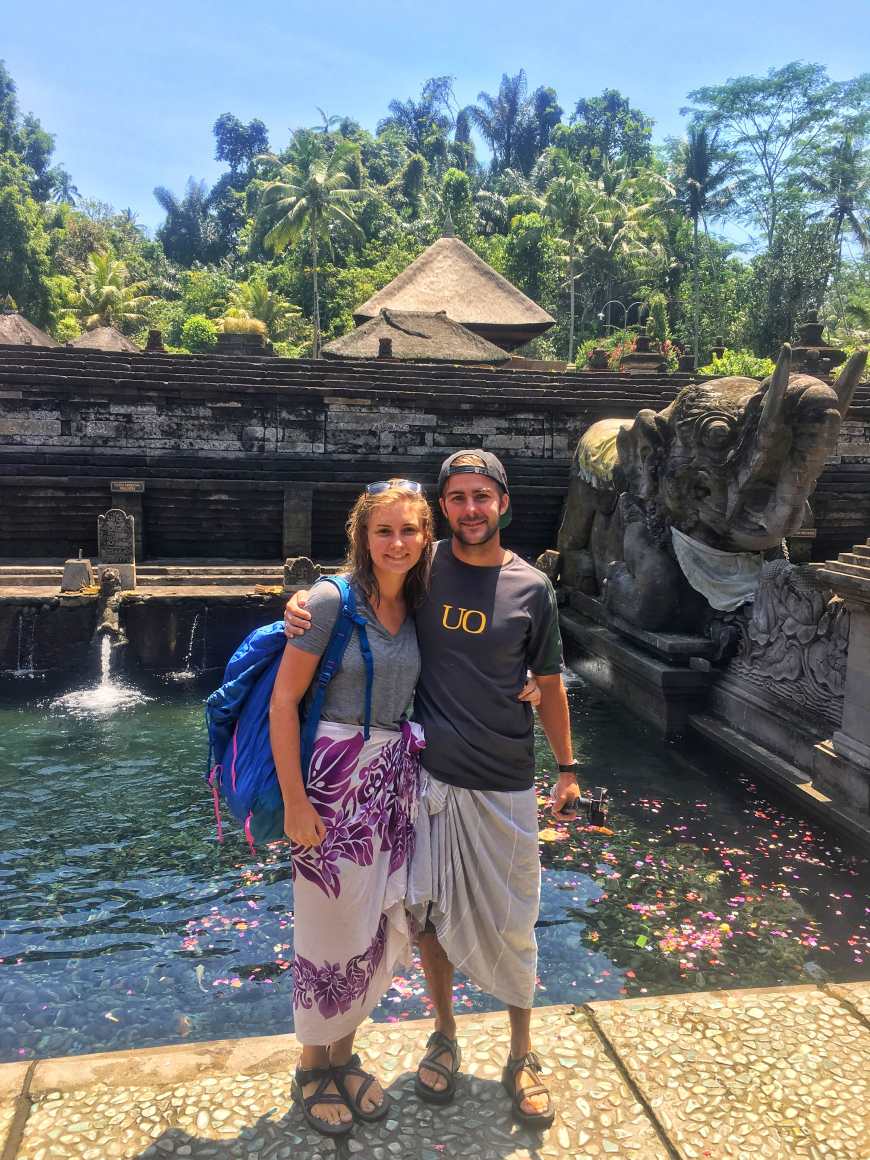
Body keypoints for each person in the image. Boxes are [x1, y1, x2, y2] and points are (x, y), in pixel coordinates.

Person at [285, 451, 582, 1130]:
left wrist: (567, 768)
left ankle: (521, 1052)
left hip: (504, 777)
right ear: (442, 509)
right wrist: (299, 603)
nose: (470, 509)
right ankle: (444, 1033)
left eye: (482, 496)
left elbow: (552, 682)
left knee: (513, 920)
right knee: (425, 919)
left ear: (504, 503)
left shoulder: (533, 587)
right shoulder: (423, 566)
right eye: (456, 498)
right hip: (422, 780)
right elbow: (356, 591)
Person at [270, 478, 431, 1138]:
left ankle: (344, 1051)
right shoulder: (333, 603)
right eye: (383, 530)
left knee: (369, 924)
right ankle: (313, 1063)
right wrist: (294, 801)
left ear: (426, 538)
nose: (397, 542)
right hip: (332, 783)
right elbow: (284, 704)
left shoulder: (421, 600)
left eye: (410, 530)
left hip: (392, 782)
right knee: (325, 926)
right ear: (362, 537)